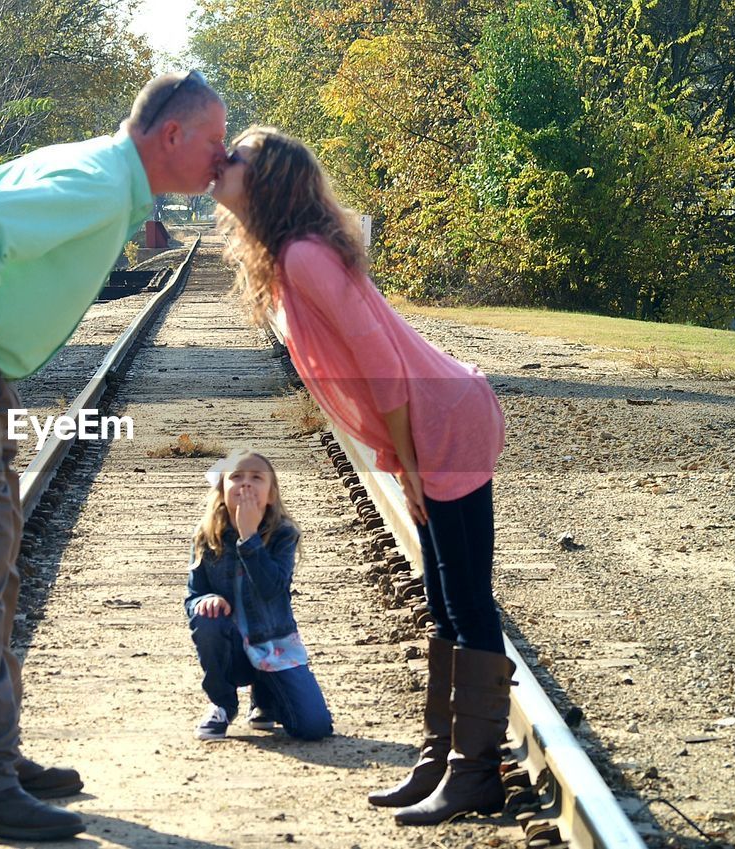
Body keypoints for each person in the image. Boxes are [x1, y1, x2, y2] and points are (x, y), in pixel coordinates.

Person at [0, 71, 227, 842]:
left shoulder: (102, 177)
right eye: (214, 142)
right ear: (171, 137)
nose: (219, 158)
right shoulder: (98, 185)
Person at [211, 127, 513, 826]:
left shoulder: (303, 256)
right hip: (431, 422)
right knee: (444, 600)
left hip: (445, 423)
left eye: (237, 159)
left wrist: (406, 463)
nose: (221, 164)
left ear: (268, 183)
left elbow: (381, 362)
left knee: (466, 600)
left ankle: (476, 775)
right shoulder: (286, 256)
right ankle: (442, 758)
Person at [185, 449, 333, 743]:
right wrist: (205, 601)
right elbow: (193, 597)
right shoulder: (206, 536)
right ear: (222, 491)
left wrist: (250, 538)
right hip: (232, 649)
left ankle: (266, 696)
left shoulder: (283, 535)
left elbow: (271, 589)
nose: (246, 484)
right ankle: (223, 705)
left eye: (257, 477)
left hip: (273, 647)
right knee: (206, 618)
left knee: (314, 729)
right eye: (236, 477)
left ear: (271, 494)